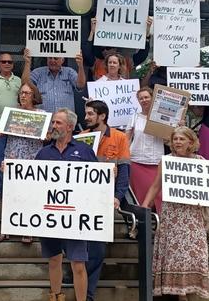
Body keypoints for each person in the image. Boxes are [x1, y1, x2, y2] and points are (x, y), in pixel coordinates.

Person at [35, 108, 98, 301]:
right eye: (53, 122)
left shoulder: (85, 151)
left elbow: (97, 181)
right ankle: (55, 297)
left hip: (76, 218)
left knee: (78, 264)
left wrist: (108, 174)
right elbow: (32, 182)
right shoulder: (44, 153)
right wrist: (10, 170)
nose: (54, 126)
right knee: (54, 260)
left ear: (70, 127)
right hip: (51, 216)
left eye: (58, 123)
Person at [140, 127, 209, 300]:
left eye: (182, 139)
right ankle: (180, 295)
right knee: (173, 254)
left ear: (191, 142)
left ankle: (189, 291)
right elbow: (156, 186)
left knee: (195, 253)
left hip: (193, 214)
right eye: (175, 139)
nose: (178, 142)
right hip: (172, 214)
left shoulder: (200, 161)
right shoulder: (166, 161)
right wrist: (144, 205)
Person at [81, 100, 130, 301]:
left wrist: (118, 196)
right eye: (86, 114)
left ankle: (88, 293)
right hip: (83, 198)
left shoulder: (119, 137)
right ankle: (79, 280)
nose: (86, 117)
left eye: (90, 114)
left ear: (102, 116)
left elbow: (125, 170)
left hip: (105, 200)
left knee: (98, 249)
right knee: (80, 246)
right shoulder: (82, 137)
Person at [0, 82, 45, 244]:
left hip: (32, 157)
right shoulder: (11, 113)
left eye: (27, 93)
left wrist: (44, 134)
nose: (23, 96)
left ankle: (28, 230)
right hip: (13, 155)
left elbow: (49, 136)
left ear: (34, 96)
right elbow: (0, 133)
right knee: (8, 194)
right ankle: (5, 229)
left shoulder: (41, 114)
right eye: (21, 93)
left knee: (29, 194)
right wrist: (1, 130)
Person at [0, 53, 22, 200]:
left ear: (13, 64)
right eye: (3, 61)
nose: (7, 63)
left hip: (16, 126)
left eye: (10, 61)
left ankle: (13, 187)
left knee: (15, 157)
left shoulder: (19, 81)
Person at [126, 87, 165, 212]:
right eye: (141, 98)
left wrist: (177, 125)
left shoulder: (162, 117)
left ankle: (158, 225)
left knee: (158, 196)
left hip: (156, 162)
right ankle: (141, 225)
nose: (144, 100)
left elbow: (170, 139)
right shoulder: (134, 117)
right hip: (136, 161)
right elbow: (126, 139)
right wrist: (123, 158)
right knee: (139, 196)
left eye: (146, 97)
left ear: (153, 98)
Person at [22, 48, 86, 113]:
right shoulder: (38, 72)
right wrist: (27, 62)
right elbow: (25, 84)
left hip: (65, 120)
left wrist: (80, 65)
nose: (52, 60)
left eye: (55, 58)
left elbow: (80, 85)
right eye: (50, 58)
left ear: (62, 60)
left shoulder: (69, 72)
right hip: (44, 119)